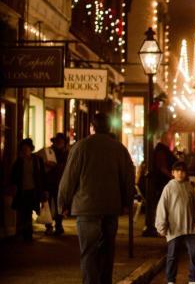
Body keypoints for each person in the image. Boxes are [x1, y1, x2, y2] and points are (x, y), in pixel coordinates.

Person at [58, 113, 135, 284]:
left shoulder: (81, 147)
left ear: (91, 127)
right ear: (109, 128)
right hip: (110, 207)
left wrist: (63, 203)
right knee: (107, 252)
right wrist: (126, 202)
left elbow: (69, 177)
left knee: (88, 253)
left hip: (86, 208)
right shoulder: (119, 149)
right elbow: (128, 177)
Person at [156, 161, 195, 284]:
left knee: (194, 254)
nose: (180, 173)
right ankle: (170, 280)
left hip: (190, 227)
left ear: (185, 173)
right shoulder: (169, 188)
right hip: (174, 228)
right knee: (172, 256)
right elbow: (162, 207)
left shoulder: (189, 187)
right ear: (173, 173)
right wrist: (161, 226)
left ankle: (193, 279)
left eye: (182, 171)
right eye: (177, 171)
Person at [11, 138, 47, 241]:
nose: (25, 150)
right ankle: (26, 233)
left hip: (33, 190)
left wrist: (44, 190)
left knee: (29, 212)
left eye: (27, 148)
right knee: (24, 212)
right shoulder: (19, 161)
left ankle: (27, 234)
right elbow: (13, 176)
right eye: (23, 148)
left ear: (31, 149)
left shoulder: (37, 160)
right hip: (22, 191)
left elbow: (42, 176)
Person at [144, 132, 177, 236]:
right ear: (166, 139)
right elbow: (162, 167)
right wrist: (173, 177)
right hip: (162, 182)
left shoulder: (162, 150)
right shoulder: (161, 150)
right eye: (171, 137)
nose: (172, 140)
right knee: (163, 205)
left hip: (163, 182)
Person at [37, 133, 68, 235]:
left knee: (59, 205)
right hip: (48, 181)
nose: (59, 143)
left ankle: (58, 225)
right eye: (57, 141)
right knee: (48, 204)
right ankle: (49, 225)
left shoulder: (66, 153)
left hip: (60, 182)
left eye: (61, 141)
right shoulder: (48, 151)